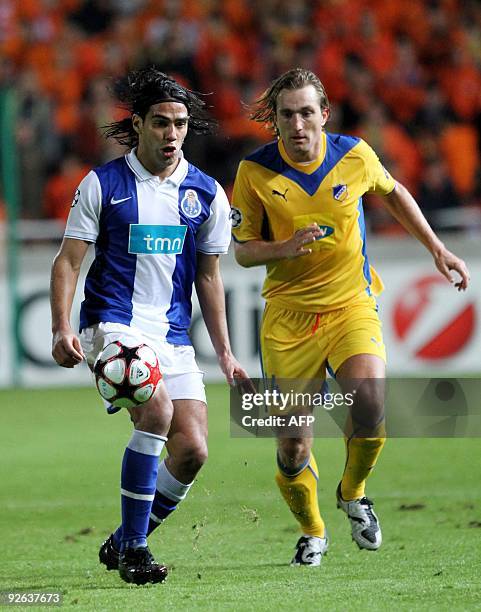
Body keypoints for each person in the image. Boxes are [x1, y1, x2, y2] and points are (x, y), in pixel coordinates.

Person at [231, 68, 470, 567]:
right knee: (294, 445)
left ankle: (352, 492)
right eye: (286, 114)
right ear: (274, 121)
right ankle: (312, 531)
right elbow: (243, 252)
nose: (297, 124)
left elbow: (394, 192)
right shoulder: (254, 173)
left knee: (370, 407)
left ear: (324, 114)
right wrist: (284, 247)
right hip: (288, 319)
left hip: (350, 306)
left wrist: (437, 249)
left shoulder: (355, 155)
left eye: (305, 113)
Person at [50, 67, 248, 585]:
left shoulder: (206, 195)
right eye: (160, 123)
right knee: (156, 409)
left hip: (173, 336)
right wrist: (60, 327)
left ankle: (123, 538)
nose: (171, 134)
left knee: (193, 450)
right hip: (112, 327)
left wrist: (224, 351)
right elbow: (69, 261)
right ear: (138, 124)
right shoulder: (103, 184)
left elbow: (209, 276)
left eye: (180, 124)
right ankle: (136, 550)